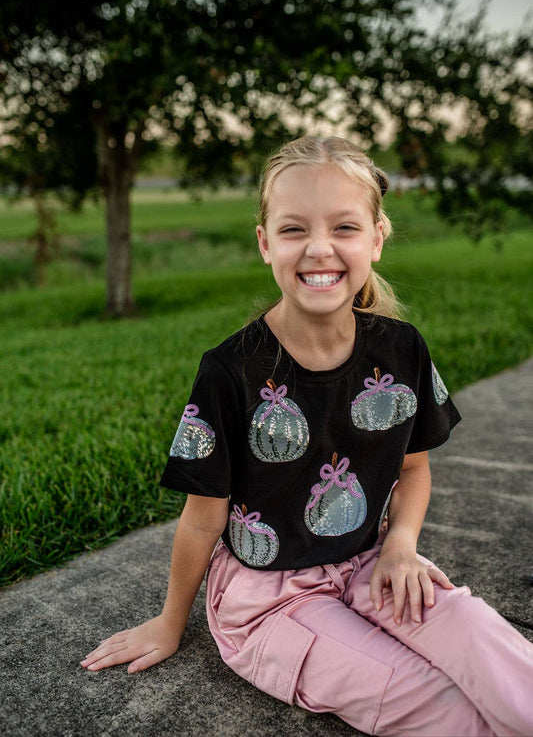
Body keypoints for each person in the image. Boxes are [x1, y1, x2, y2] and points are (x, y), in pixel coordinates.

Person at [81, 136, 533, 736]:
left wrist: (400, 545)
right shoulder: (231, 372)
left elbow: (413, 469)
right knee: (425, 697)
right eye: (294, 229)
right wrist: (170, 622)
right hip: (268, 600)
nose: (319, 247)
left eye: (344, 226)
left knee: (484, 642)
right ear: (266, 243)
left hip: (367, 561)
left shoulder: (401, 351)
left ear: (377, 236)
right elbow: (201, 519)